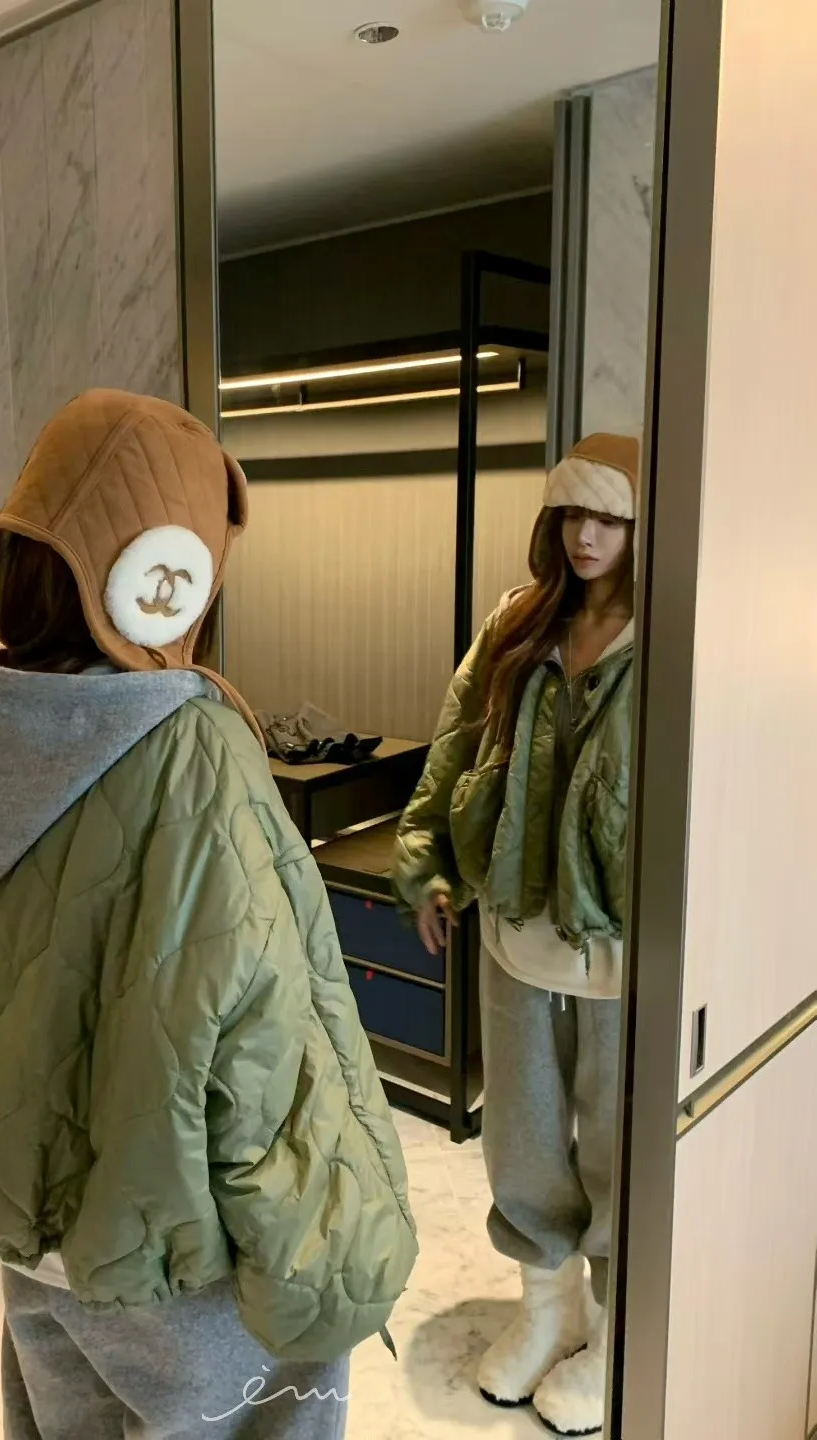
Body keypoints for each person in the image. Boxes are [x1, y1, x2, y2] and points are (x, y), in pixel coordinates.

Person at [0, 389, 418, 1440]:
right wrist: (333, 1250)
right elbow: (262, 1035)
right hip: (170, 1251)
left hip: (36, 1245)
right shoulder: (188, 751)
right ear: (167, 576)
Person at [392, 434, 639, 1438]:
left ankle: (617, 1338)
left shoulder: (671, 636)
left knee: (619, 1152)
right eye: (573, 513)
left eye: (610, 517)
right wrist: (426, 860)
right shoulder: (516, 622)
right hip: (515, 933)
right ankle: (549, 1313)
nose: (587, 536)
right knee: (525, 1140)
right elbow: (454, 747)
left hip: (623, 953)